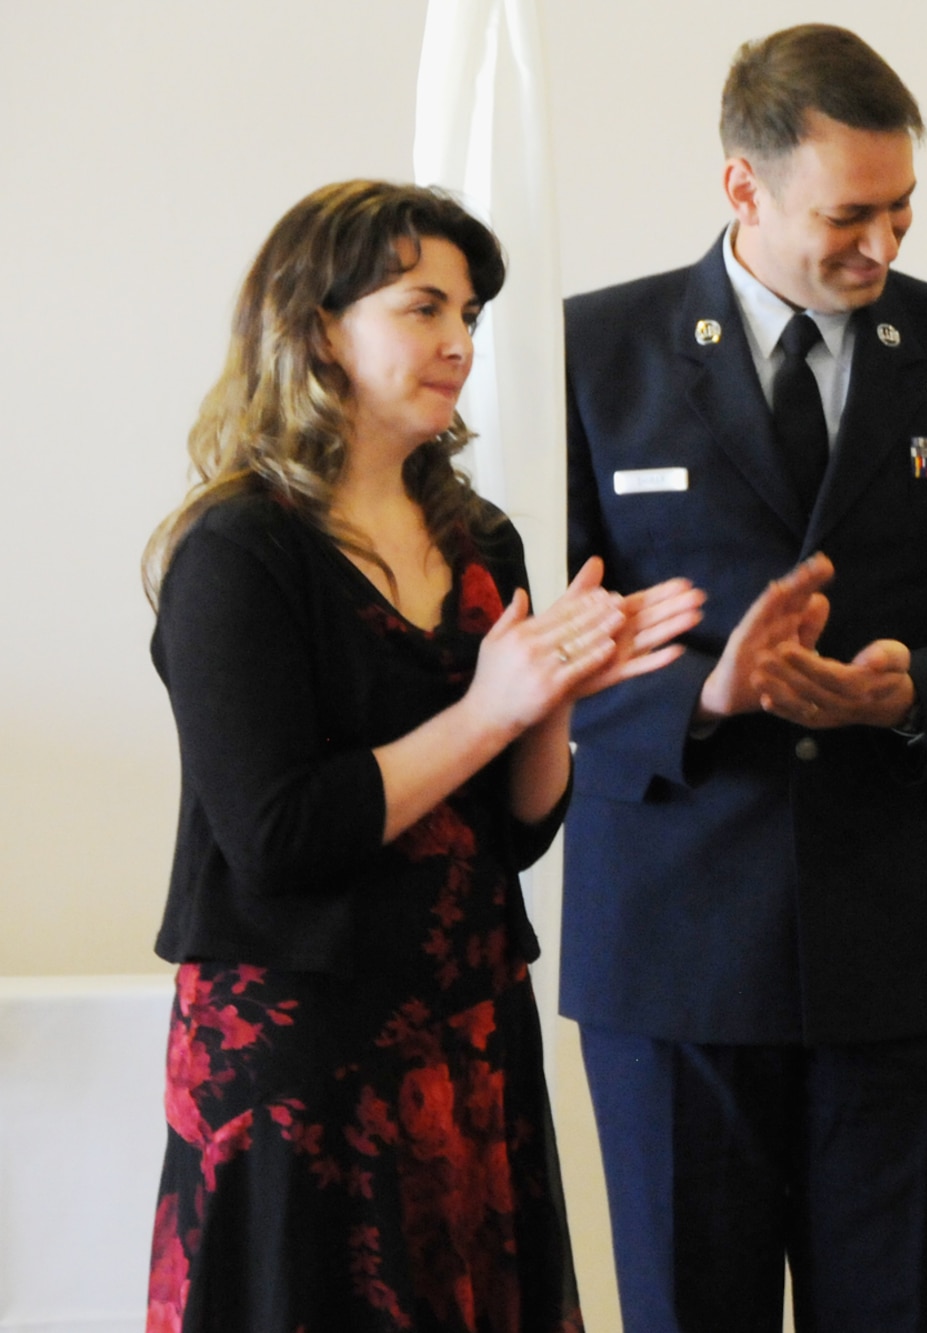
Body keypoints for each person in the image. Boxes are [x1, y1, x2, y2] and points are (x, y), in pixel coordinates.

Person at [562, 25, 927, 1333]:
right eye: (848, 216)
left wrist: (913, 691)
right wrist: (704, 693)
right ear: (742, 188)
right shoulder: (592, 354)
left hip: (908, 948)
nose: (883, 249)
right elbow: (527, 654)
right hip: (674, 952)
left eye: (904, 211)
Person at [142, 181, 705, 1331]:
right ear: (315, 329)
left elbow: (517, 825)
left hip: (465, 1026)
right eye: (421, 307)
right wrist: (495, 709)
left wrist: (560, 694)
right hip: (301, 1057)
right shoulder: (239, 549)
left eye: (469, 315)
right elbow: (277, 835)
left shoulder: (480, 536)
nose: (458, 341)